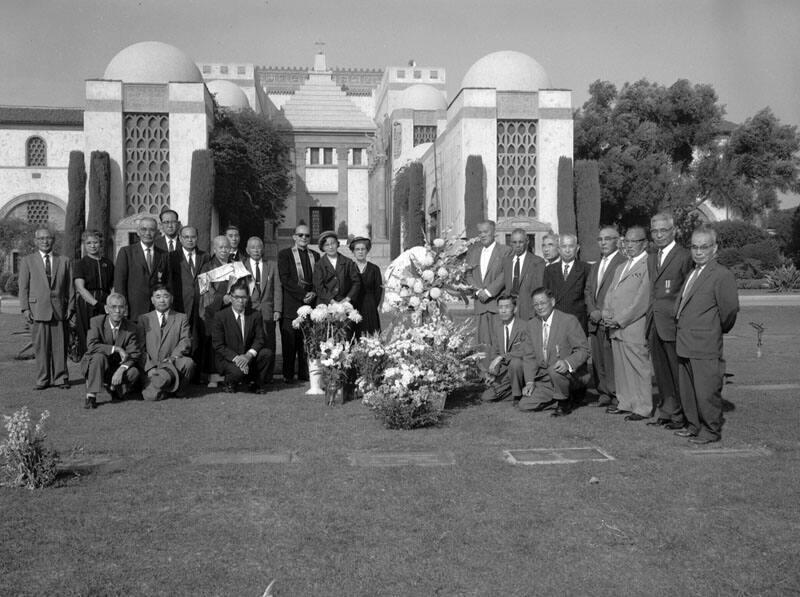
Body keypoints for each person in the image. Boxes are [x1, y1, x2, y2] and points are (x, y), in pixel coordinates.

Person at [674, 227, 739, 444]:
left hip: (705, 343)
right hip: (684, 342)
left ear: (715, 248)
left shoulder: (721, 275)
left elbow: (729, 311)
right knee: (688, 391)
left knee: (706, 391)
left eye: (704, 247)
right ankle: (694, 425)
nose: (699, 251)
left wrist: (712, 330)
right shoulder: (693, 272)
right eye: (694, 246)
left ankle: (710, 430)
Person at [646, 212, 694, 429]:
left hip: (674, 325)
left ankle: (683, 415)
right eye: (654, 231)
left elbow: (688, 292)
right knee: (661, 372)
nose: (658, 235)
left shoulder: (684, 256)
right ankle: (667, 411)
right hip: (655, 324)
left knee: (677, 374)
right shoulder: (652, 256)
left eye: (663, 230)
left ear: (673, 231)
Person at [602, 226, 652, 421]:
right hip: (615, 328)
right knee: (622, 368)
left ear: (644, 243)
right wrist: (607, 314)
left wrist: (619, 319)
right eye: (627, 242)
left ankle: (642, 407)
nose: (629, 246)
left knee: (638, 367)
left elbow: (641, 300)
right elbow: (610, 293)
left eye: (634, 242)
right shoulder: (622, 266)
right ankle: (626, 402)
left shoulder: (648, 265)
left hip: (633, 327)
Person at [518, 287, 590, 416]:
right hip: (546, 378)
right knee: (525, 405)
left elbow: (583, 350)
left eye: (543, 303)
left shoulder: (568, 321)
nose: (539, 307)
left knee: (554, 370)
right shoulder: (531, 325)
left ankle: (564, 401)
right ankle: (565, 397)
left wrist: (567, 363)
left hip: (567, 374)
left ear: (552, 302)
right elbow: (529, 357)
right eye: (536, 304)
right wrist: (529, 382)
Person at [18, 227, 74, 390]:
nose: (45, 241)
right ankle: (43, 379)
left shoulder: (64, 260)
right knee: (41, 347)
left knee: (60, 346)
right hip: (37, 310)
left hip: (59, 310)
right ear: (36, 241)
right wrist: (25, 309)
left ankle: (61, 378)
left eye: (48, 238)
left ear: (53, 240)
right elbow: (24, 288)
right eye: (41, 239)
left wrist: (70, 306)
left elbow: (70, 287)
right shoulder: (28, 260)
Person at [584, 226, 626, 408]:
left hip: (609, 320)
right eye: (600, 239)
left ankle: (616, 394)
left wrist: (602, 312)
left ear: (617, 241)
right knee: (598, 359)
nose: (603, 242)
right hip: (594, 320)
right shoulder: (596, 265)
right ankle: (603, 392)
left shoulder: (622, 262)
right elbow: (588, 290)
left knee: (611, 361)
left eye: (607, 239)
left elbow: (620, 292)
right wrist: (592, 309)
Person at [211, 280, 274, 393]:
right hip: (228, 359)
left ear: (248, 298)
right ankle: (229, 383)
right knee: (237, 372)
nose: (240, 301)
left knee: (266, 354)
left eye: (244, 297)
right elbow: (218, 345)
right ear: (230, 298)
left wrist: (248, 355)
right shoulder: (220, 316)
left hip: (247, 356)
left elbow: (260, 339)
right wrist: (237, 359)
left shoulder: (255, 315)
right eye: (237, 297)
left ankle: (254, 383)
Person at [81, 293, 141, 409]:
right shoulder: (96, 322)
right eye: (113, 307)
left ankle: (113, 387)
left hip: (116, 366)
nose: (117, 311)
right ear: (106, 309)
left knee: (133, 372)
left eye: (121, 307)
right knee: (99, 356)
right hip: (96, 364)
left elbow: (134, 354)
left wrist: (121, 370)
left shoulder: (131, 327)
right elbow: (92, 346)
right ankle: (91, 396)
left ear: (125, 309)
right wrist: (117, 349)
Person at [137, 285, 196, 401]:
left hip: (173, 363)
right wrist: (149, 368)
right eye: (158, 297)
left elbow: (186, 340)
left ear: (172, 299)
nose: (162, 300)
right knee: (151, 396)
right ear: (152, 300)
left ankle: (179, 390)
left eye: (165, 296)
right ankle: (166, 388)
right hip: (153, 366)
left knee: (188, 363)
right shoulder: (144, 319)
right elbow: (139, 348)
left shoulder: (181, 317)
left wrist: (173, 357)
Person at [277, 224, 319, 382]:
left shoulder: (315, 255)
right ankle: (288, 375)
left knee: (306, 342)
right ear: (294, 237)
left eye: (307, 235)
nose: (304, 238)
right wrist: (302, 295)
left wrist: (313, 292)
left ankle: (304, 373)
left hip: (310, 305)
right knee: (289, 343)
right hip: (291, 304)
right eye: (300, 235)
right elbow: (285, 279)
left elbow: (317, 278)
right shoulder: (285, 254)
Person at [480, 295, 536, 403]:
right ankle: (514, 389)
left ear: (515, 309)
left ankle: (517, 395)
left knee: (515, 363)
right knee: (486, 397)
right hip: (505, 370)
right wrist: (493, 373)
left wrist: (503, 356)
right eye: (500, 307)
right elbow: (495, 352)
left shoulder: (525, 326)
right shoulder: (498, 327)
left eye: (507, 307)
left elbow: (525, 351)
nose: (503, 310)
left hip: (522, 368)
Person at [113, 216, 169, 321]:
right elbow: (120, 283)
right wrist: (122, 308)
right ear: (138, 232)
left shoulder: (163, 255)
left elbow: (167, 282)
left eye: (152, 230)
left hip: (157, 310)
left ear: (157, 233)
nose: (148, 233)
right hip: (134, 310)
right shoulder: (126, 252)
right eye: (144, 229)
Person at [169, 226, 210, 367]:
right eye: (186, 237)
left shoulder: (205, 256)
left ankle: (198, 372)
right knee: (181, 337)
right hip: (181, 303)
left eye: (193, 237)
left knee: (198, 337)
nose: (190, 240)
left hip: (200, 303)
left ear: (197, 238)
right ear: (180, 239)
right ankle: (181, 368)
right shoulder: (172, 257)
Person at [243, 236, 281, 385]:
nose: (256, 250)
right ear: (247, 250)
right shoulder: (242, 266)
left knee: (269, 343)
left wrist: (277, 309)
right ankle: (248, 375)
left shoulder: (272, 265)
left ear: (263, 249)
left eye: (259, 247)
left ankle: (268, 376)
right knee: (249, 342)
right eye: (252, 247)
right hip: (249, 310)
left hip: (267, 311)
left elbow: (277, 289)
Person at [466, 220, 511, 346]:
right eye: (480, 232)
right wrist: (478, 291)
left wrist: (489, 292)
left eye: (486, 232)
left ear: (494, 232)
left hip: (496, 304)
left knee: (499, 342)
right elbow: (468, 275)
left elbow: (506, 273)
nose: (483, 235)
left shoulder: (505, 251)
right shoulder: (474, 253)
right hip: (480, 305)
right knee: (482, 345)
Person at [72, 230, 114, 359]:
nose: (92, 245)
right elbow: (80, 288)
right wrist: (96, 304)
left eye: (95, 242)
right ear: (84, 245)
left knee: (105, 334)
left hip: (105, 301)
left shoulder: (108, 263)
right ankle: (89, 368)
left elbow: (113, 286)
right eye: (88, 243)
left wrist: (110, 303)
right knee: (88, 334)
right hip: (88, 303)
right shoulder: (81, 264)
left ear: (100, 244)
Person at [199, 235, 233, 385]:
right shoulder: (207, 266)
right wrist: (222, 298)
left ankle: (229, 373)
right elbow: (204, 291)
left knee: (230, 342)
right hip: (214, 312)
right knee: (214, 343)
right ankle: (213, 375)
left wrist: (235, 297)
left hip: (232, 310)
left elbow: (243, 285)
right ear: (214, 249)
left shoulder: (236, 265)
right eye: (221, 247)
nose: (224, 250)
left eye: (227, 247)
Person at [542, 233, 589, 333]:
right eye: (564, 246)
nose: (567, 250)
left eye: (571, 246)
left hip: (577, 322)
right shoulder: (549, 270)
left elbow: (588, 296)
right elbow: (546, 296)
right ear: (559, 249)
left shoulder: (586, 268)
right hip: (556, 321)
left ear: (577, 248)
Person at [501, 228, 545, 320]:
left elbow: (539, 289)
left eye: (521, 242)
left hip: (529, 312)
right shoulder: (506, 262)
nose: (517, 245)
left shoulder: (537, 262)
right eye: (514, 242)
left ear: (527, 241)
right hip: (510, 311)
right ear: (510, 243)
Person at [313, 230, 361, 305]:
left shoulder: (348, 262)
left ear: (337, 244)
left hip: (345, 302)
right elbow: (319, 286)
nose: (330, 247)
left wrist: (347, 298)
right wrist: (332, 301)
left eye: (333, 243)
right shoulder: (319, 265)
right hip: (326, 303)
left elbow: (356, 282)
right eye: (326, 245)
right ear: (322, 247)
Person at [349, 236, 383, 335]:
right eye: (357, 249)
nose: (360, 252)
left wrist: (372, 304)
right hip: (353, 306)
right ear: (353, 252)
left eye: (363, 249)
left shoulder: (374, 269)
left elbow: (378, 290)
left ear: (367, 251)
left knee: (371, 335)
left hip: (370, 306)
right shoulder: (349, 268)